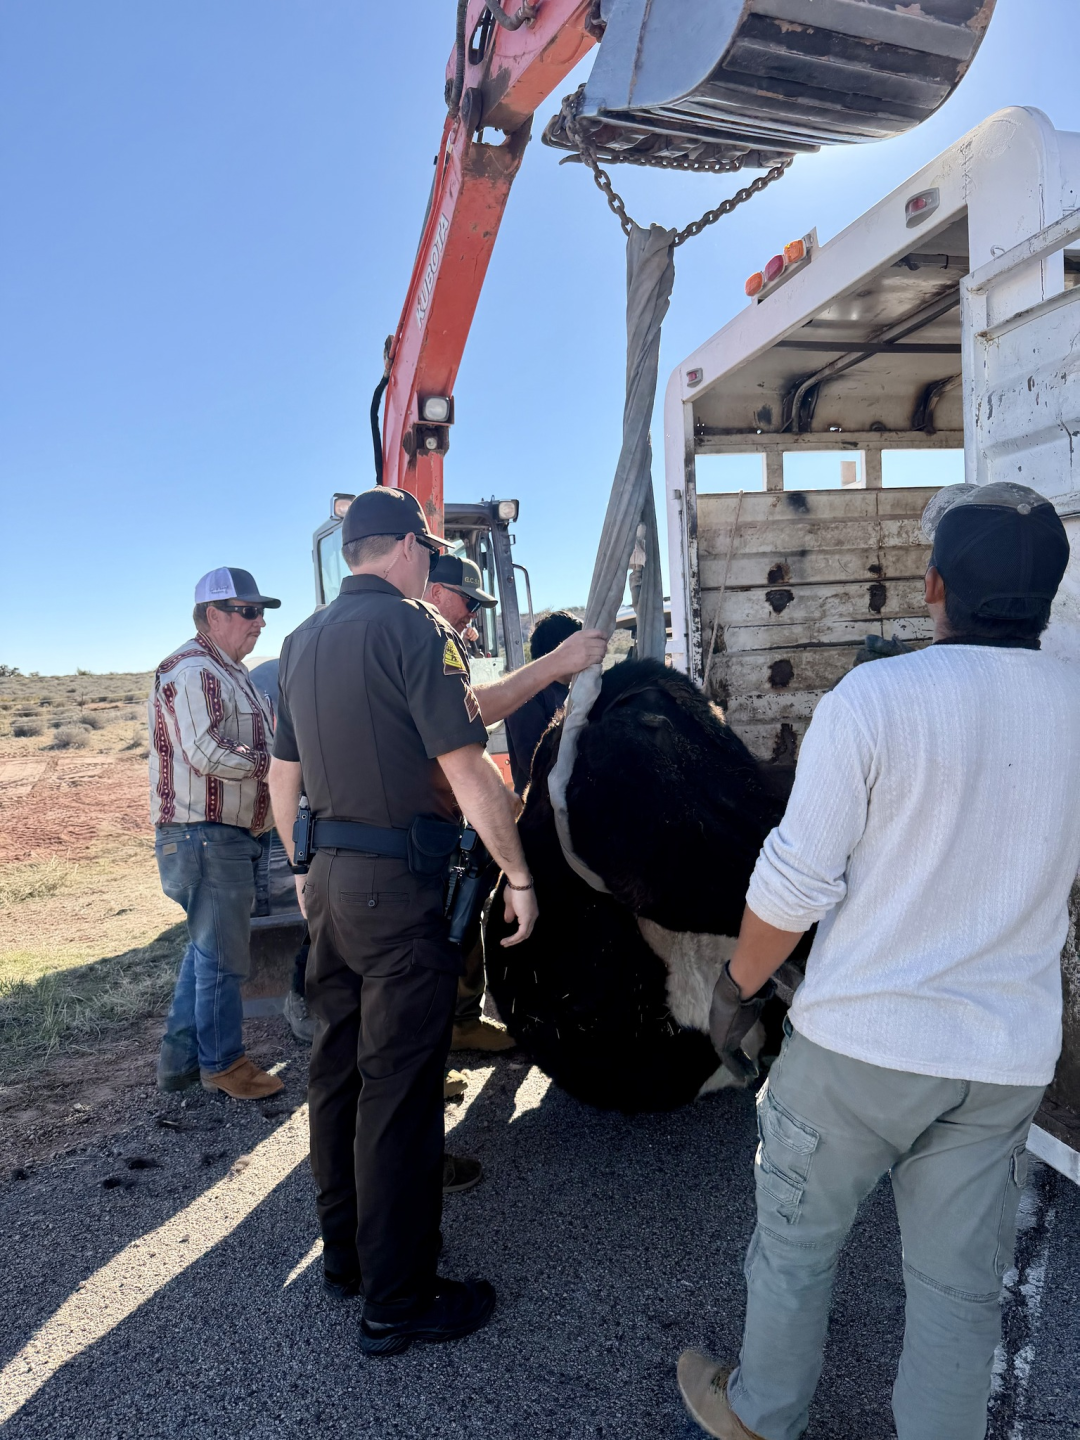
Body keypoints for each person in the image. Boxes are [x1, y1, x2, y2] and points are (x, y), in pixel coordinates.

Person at [677, 481, 1080, 1440]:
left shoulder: (879, 696)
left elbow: (792, 886)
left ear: (935, 586)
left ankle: (760, 1414)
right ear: (1052, 597)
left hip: (860, 1047)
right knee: (957, 1289)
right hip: (1001, 1059)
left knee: (796, 1247)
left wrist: (735, 990)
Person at [267, 487, 539, 1356]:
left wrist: (307, 869)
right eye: (425, 548)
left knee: (336, 1073)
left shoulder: (300, 641)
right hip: (399, 891)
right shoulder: (416, 631)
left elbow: (283, 783)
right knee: (400, 1093)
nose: (429, 561)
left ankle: (346, 1257)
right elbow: (467, 769)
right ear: (404, 550)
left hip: (332, 885)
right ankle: (399, 1298)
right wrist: (519, 874)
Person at [423, 568, 605, 1051]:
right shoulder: (422, 651)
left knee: (461, 917)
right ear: (435, 592)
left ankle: (461, 1020)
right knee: (440, 934)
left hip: (466, 819)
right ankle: (424, 1051)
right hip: (438, 827)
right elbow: (477, 749)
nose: (473, 618)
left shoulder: (447, 650)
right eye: (469, 604)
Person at [150, 567, 285, 1101]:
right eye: (248, 612)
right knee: (223, 958)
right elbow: (203, 751)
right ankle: (223, 1064)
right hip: (204, 835)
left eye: (261, 614)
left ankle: (179, 1065)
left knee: (208, 953)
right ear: (213, 615)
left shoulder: (233, 674)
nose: (259, 624)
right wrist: (276, 767)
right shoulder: (192, 670)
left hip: (227, 835)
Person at [503, 610, 584, 796]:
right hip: (541, 812)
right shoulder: (527, 694)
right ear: (561, 649)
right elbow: (533, 764)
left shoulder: (570, 691)